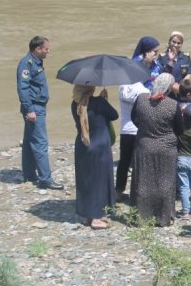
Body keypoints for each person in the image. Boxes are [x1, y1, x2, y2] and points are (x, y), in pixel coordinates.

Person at [130, 73, 183, 226]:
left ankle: (141, 216)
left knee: (142, 182)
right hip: (166, 148)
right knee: (166, 183)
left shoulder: (141, 99)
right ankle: (164, 217)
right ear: (168, 88)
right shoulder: (173, 105)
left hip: (144, 145)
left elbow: (134, 118)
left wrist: (145, 129)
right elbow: (180, 129)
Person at [16, 36, 63, 190]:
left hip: (37, 106)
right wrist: (29, 110)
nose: (48, 51)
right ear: (37, 49)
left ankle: (29, 174)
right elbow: (23, 88)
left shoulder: (35, 62)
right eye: (46, 49)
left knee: (30, 142)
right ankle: (45, 179)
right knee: (40, 143)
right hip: (34, 108)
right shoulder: (27, 64)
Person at [71, 85, 119, 229]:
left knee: (86, 181)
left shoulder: (75, 104)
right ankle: (97, 218)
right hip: (99, 146)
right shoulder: (99, 102)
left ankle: (87, 216)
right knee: (99, 181)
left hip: (83, 144)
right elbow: (114, 115)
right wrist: (104, 100)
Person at [117, 77, 150, 202]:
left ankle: (118, 191)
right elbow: (146, 112)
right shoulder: (144, 91)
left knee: (123, 162)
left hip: (125, 129)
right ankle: (137, 192)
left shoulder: (122, 87)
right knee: (139, 163)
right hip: (138, 129)